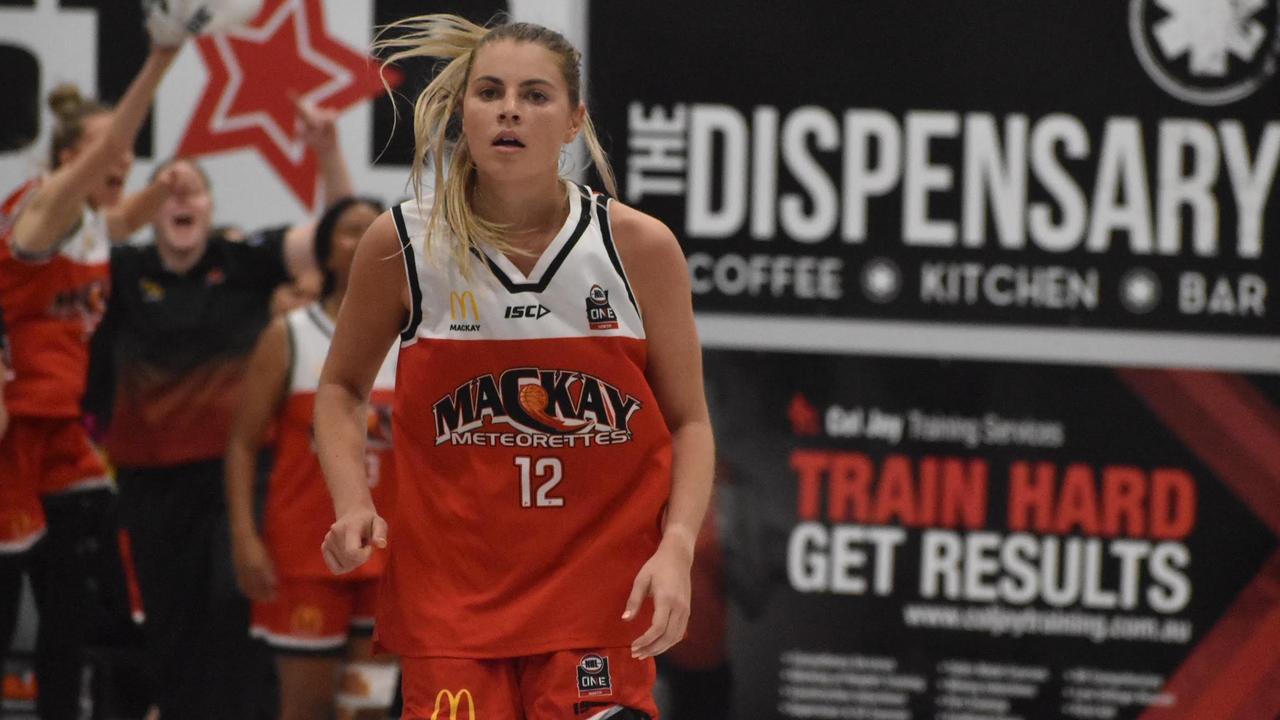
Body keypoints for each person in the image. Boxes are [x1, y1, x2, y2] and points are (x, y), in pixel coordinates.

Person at [315, 14, 715, 718]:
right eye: (490, 92)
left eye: (535, 95)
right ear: (461, 111)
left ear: (573, 121)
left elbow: (688, 422)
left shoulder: (639, 247)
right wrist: (352, 502)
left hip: (599, 597)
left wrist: (677, 547)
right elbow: (343, 387)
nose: (509, 109)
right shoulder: (404, 241)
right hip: (452, 607)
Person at [88, 99, 353, 719]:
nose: (182, 200)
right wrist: (155, 190)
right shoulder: (124, 270)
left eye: (196, 191)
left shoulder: (241, 262)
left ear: (212, 210)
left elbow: (341, 240)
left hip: (238, 478)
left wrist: (326, 154)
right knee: (170, 621)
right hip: (150, 482)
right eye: (170, 192)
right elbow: (99, 230)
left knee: (235, 607)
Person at [0, 42, 184, 719]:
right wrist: (162, 59)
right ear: (68, 159)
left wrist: (171, 186)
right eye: (107, 149)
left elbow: (129, 216)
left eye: (126, 150)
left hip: (58, 433)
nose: (123, 160)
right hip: (9, 426)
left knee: (73, 614)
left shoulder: (93, 228)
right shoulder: (41, 213)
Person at [224, 196, 398, 720]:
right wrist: (244, 537)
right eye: (350, 231)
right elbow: (241, 442)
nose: (364, 240)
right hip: (305, 554)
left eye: (374, 231)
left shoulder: (412, 338)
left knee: (366, 707)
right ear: (324, 253)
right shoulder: (290, 335)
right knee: (308, 708)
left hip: (389, 556)